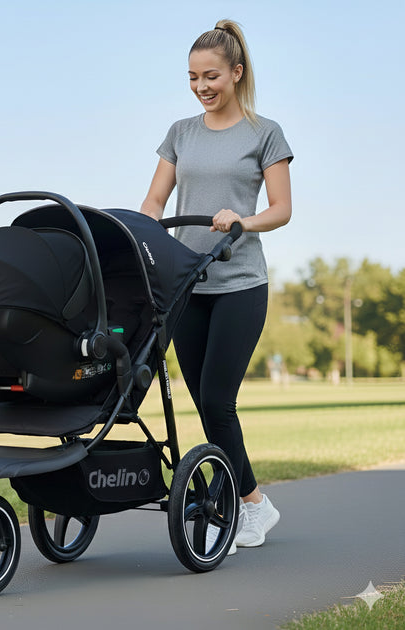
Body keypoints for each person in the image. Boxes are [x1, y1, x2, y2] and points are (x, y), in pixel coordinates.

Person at [140, 19, 293, 552]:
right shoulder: (181, 133)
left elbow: (282, 208)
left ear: (236, 73)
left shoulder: (264, 133)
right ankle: (245, 503)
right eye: (192, 77)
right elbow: (155, 200)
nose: (201, 86)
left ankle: (251, 504)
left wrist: (241, 221)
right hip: (187, 285)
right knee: (205, 405)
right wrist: (145, 230)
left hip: (240, 283)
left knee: (217, 399)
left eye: (211, 76)